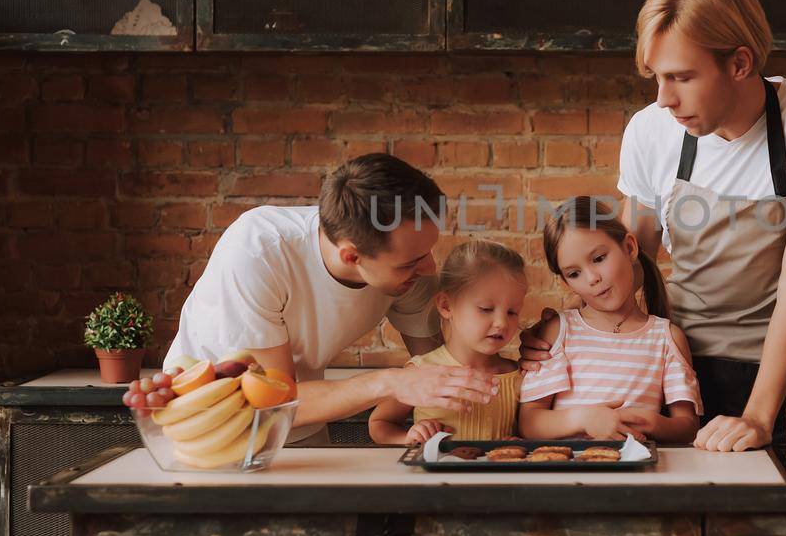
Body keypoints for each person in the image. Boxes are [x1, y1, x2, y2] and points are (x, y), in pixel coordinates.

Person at [525, 0, 786, 451]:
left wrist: (757, 417)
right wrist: (563, 334)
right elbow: (628, 263)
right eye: (657, 78)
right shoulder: (651, 130)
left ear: (740, 63)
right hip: (674, 376)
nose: (664, 99)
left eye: (682, 77)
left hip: (776, 383)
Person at [164, 152, 496, 443]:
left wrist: (539, 357)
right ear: (352, 257)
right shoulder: (257, 252)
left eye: (428, 252)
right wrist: (393, 381)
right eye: (411, 262)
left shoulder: (407, 266)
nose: (429, 268)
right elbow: (273, 402)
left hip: (303, 422)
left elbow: (443, 365)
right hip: (211, 427)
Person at [518, 196, 701, 444]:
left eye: (598, 258)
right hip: (565, 477)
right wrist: (583, 419)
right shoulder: (558, 333)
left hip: (636, 475)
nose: (592, 278)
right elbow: (529, 422)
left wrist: (652, 422)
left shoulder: (666, 338)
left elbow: (687, 427)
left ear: (629, 248)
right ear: (565, 282)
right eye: (574, 273)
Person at [368, 239, 527, 446]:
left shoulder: (518, 376)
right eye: (486, 309)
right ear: (446, 306)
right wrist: (408, 436)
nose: (502, 322)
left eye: (512, 312)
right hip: (434, 478)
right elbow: (380, 423)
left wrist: (522, 442)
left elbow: (531, 432)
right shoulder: (422, 371)